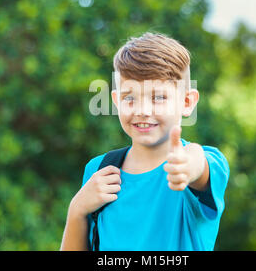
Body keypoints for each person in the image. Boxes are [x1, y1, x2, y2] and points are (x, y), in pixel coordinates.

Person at [60, 32, 229, 251]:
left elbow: (198, 163)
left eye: (158, 97)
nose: (142, 110)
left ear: (187, 102)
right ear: (116, 101)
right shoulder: (99, 170)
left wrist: (188, 165)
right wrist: (77, 209)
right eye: (129, 98)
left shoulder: (195, 166)